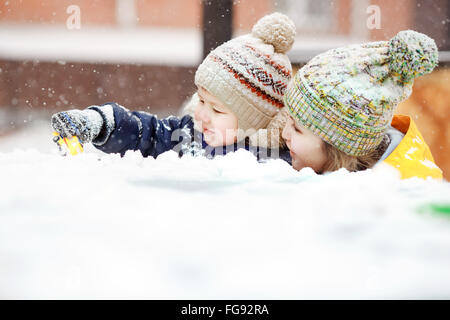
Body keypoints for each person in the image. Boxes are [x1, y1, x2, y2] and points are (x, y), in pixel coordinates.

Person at [51, 12, 295, 160]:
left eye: (217, 110)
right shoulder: (186, 136)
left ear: (253, 124)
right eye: (201, 100)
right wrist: (101, 122)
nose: (202, 114)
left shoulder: (271, 161)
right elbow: (145, 133)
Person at [279, 30, 443, 179]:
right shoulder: (339, 167)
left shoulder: (401, 194)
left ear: (339, 148)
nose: (285, 133)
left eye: (297, 129)